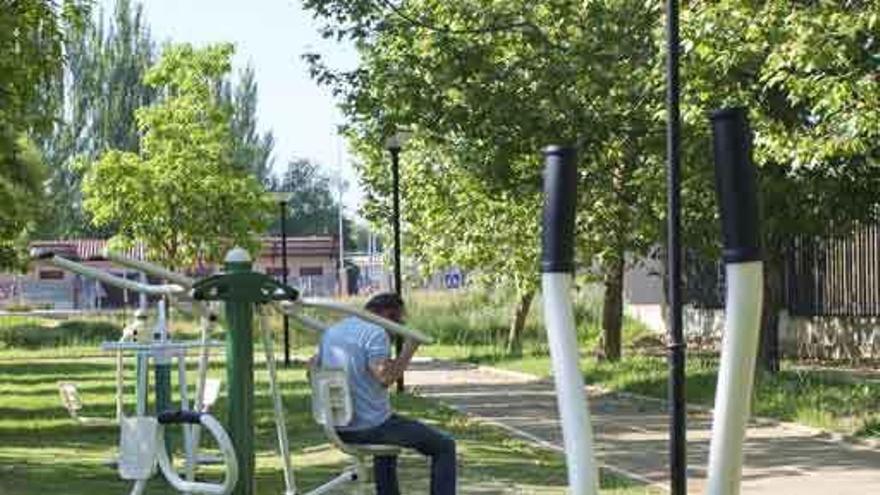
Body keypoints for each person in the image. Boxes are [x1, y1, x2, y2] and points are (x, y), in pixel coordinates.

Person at [312, 292, 456, 495]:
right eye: (399, 320)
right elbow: (385, 377)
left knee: (389, 442)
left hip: (338, 426)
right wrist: (409, 349)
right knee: (444, 446)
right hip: (369, 427)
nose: (398, 328)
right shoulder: (376, 332)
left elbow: (313, 369)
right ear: (389, 315)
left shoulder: (332, 333)